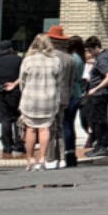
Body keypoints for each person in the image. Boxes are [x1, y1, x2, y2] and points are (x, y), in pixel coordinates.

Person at [18, 34, 61, 171]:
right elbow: (58, 81)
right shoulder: (55, 60)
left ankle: (30, 159)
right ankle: (42, 158)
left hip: (31, 98)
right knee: (44, 128)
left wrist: (24, 93)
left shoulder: (28, 60)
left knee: (30, 128)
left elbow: (22, 81)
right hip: (48, 98)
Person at [44, 25, 77, 169]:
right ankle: (63, 156)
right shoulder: (70, 59)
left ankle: (51, 157)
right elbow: (71, 81)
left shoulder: (49, 57)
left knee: (50, 127)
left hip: (50, 95)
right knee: (61, 127)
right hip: (64, 96)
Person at [0, 40, 24, 157]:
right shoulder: (19, 60)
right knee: (18, 119)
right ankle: (19, 145)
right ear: (11, 49)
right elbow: (24, 75)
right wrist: (14, 84)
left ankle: (7, 146)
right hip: (17, 93)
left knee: (5, 120)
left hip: (2, 94)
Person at [83, 36, 108, 158]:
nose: (90, 53)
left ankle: (102, 146)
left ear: (97, 47)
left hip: (100, 94)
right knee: (98, 119)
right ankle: (100, 145)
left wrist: (96, 88)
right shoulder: (106, 56)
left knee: (99, 120)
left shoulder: (102, 59)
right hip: (102, 93)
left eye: (91, 50)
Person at [58, 37, 86, 168]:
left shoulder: (73, 59)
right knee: (69, 124)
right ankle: (71, 152)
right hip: (77, 93)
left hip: (71, 93)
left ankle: (68, 152)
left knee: (66, 124)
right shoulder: (80, 57)